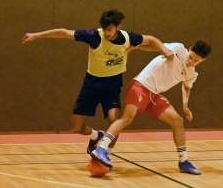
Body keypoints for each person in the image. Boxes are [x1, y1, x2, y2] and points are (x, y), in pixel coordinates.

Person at [22, 8, 173, 156]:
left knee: (115, 122)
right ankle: (96, 136)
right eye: (105, 29)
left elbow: (152, 40)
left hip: (112, 85)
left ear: (118, 28)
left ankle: (106, 154)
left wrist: (164, 50)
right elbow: (64, 33)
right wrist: (36, 35)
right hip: (91, 85)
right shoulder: (93, 36)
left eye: (110, 29)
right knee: (76, 127)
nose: (107, 33)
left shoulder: (127, 38)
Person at [91, 39, 212, 175]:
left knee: (177, 121)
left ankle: (183, 162)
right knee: (128, 117)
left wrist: (185, 105)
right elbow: (155, 46)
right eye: (190, 57)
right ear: (189, 49)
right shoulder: (178, 48)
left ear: (203, 60)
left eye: (195, 61)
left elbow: (186, 86)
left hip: (154, 94)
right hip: (141, 85)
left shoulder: (192, 74)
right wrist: (136, 46)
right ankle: (101, 148)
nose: (190, 61)